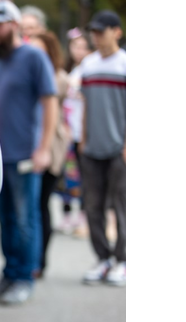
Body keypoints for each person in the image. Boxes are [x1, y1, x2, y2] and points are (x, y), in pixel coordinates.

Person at [0, 0, 58, 304]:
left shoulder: (34, 57)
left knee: (26, 219)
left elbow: (50, 103)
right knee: (5, 217)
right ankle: (10, 273)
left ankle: (24, 277)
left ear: (13, 25)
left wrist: (44, 148)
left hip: (25, 154)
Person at [77, 10, 126, 286]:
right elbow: (84, 104)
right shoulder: (89, 64)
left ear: (116, 32)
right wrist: (83, 139)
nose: (96, 36)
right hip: (92, 147)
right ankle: (103, 258)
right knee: (93, 205)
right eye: (93, 32)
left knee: (121, 206)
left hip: (119, 147)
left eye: (101, 31)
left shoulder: (126, 64)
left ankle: (123, 259)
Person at [29, 30, 72, 279]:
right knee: (31, 208)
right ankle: (33, 260)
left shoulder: (58, 78)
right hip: (31, 146)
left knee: (41, 206)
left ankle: (40, 261)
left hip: (51, 147)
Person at [57, 27, 92, 237]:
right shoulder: (68, 71)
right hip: (68, 130)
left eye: (82, 47)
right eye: (75, 46)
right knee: (68, 174)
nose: (78, 51)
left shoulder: (91, 70)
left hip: (83, 131)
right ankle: (68, 212)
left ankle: (84, 214)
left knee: (85, 175)